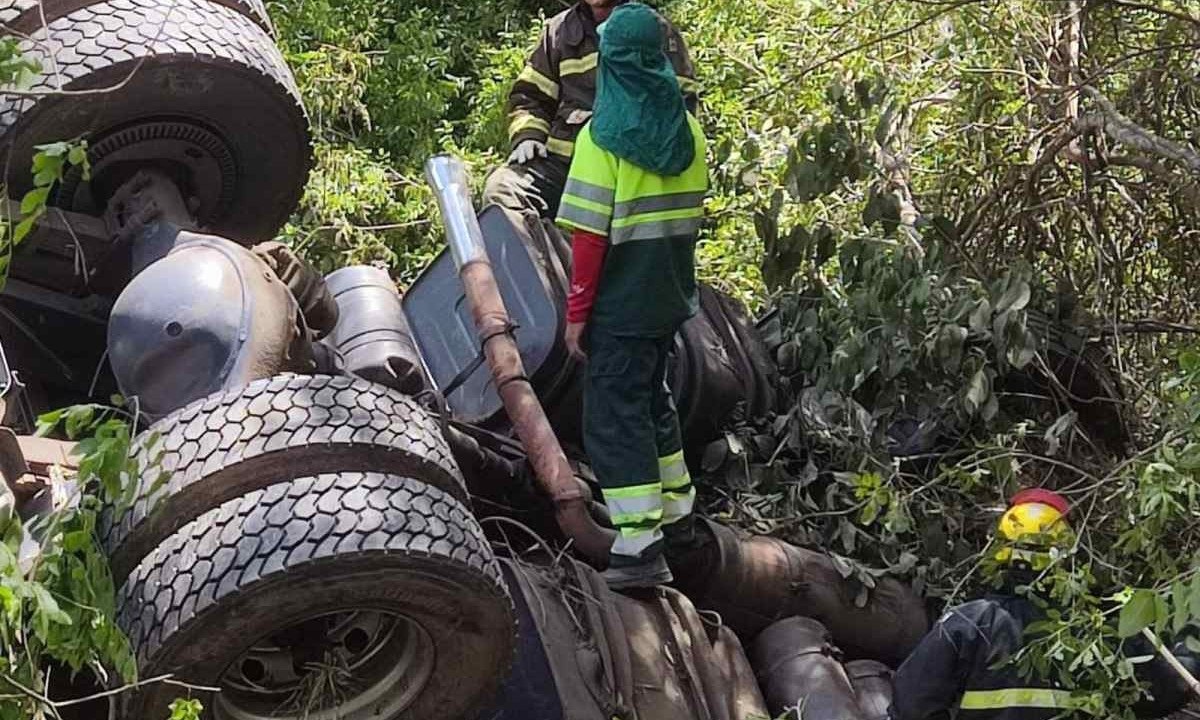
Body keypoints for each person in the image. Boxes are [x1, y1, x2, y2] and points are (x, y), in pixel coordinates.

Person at [554, 2, 707, 589]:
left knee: (615, 419)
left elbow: (590, 244)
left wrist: (576, 317)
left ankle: (640, 544)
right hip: (669, 297)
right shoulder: (687, 133)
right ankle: (679, 518)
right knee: (653, 402)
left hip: (620, 305)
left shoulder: (604, 140)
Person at [889, 489, 1197, 720]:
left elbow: (912, 705)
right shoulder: (1100, 631)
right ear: (1068, 555)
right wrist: (1191, 630)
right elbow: (1166, 690)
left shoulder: (969, 624)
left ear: (1001, 551)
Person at [485, 0, 697, 221]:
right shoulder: (559, 30)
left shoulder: (653, 29)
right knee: (503, 189)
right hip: (563, 166)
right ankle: (540, 252)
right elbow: (529, 95)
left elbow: (680, 109)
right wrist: (528, 136)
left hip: (630, 169)